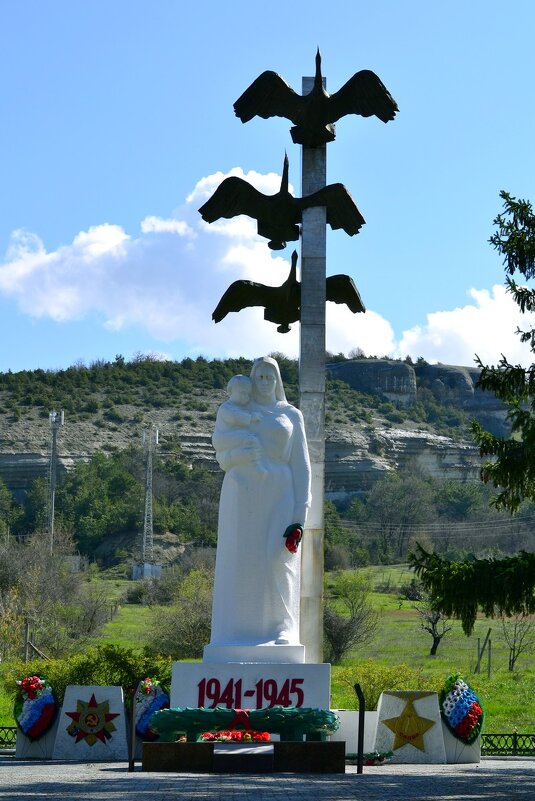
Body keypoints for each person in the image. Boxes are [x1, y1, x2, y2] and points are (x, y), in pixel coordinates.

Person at [209, 356, 311, 647]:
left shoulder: (291, 414)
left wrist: (300, 513)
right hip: (241, 492)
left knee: (279, 558)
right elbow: (219, 442)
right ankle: (235, 630)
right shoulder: (236, 410)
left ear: (278, 381)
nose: (265, 382)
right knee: (241, 558)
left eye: (270, 376)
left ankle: (283, 627)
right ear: (252, 380)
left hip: (280, 490)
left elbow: (302, 465)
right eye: (260, 376)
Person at [214, 375, 267, 482]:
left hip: (229, 438)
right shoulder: (226, 407)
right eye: (242, 393)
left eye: (248, 395)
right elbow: (234, 418)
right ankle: (256, 466)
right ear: (230, 391)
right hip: (222, 438)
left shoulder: (239, 407)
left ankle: (253, 464)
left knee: (250, 442)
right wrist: (251, 417)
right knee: (249, 438)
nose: (246, 397)